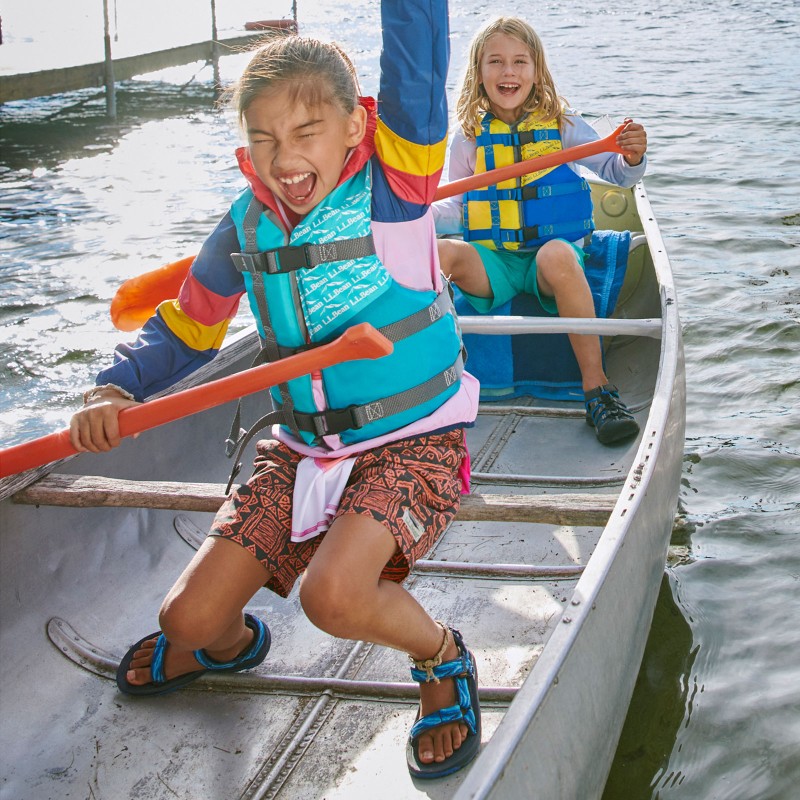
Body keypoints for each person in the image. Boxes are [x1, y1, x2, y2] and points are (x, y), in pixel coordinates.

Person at [69, 0, 481, 780]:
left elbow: (418, 64)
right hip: (302, 452)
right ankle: (234, 645)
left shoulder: (397, 192)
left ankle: (443, 657)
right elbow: (186, 327)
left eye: (304, 133)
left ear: (357, 128)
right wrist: (114, 387)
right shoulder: (244, 227)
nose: (283, 159)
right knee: (185, 621)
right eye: (262, 139)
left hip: (414, 442)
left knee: (335, 597)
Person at [434, 16, 648, 445]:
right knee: (439, 253)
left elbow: (618, 174)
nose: (508, 71)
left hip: (549, 262)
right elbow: (456, 205)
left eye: (519, 61)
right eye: (495, 61)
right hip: (494, 261)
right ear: (478, 72)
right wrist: (412, 219)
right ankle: (428, 385)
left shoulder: (562, 124)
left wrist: (630, 157)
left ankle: (598, 390)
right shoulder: (468, 139)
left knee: (557, 254)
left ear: (537, 71)